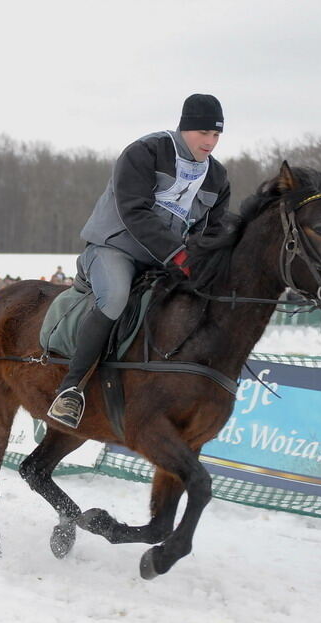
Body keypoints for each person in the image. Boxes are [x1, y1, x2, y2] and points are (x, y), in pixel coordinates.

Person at [47, 93, 230, 428]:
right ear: (185, 128)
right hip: (114, 247)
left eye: (216, 135)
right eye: (203, 133)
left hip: (166, 261)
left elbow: (212, 231)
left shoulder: (217, 177)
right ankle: (71, 388)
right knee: (115, 298)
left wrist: (206, 259)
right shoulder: (146, 151)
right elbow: (132, 210)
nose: (210, 142)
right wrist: (179, 254)